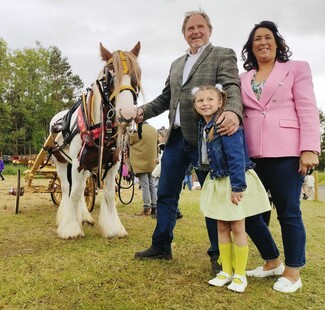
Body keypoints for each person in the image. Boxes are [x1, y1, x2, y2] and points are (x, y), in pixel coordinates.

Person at [134, 9, 243, 273]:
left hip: (208, 139)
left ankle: (219, 256)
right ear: (184, 33)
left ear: (209, 29)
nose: (195, 32)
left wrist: (234, 112)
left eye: (200, 26)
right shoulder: (176, 64)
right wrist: (141, 112)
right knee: (166, 194)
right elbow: (165, 99)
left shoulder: (222, 54)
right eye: (190, 28)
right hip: (174, 140)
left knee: (213, 198)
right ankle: (161, 246)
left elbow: (231, 87)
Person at [240, 21, 320, 293]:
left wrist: (309, 147)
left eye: (268, 37)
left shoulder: (297, 69)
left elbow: (308, 108)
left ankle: (293, 271)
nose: (263, 42)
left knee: (289, 212)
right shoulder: (243, 77)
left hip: (287, 150)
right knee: (250, 213)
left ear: (277, 42)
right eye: (257, 39)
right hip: (251, 153)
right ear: (251, 47)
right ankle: (272, 260)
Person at [193, 85, 271, 293]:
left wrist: (238, 186)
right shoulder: (204, 126)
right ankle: (226, 270)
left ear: (221, 103)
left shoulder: (226, 125)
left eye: (210, 99)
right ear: (195, 106)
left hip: (233, 181)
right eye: (200, 100)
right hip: (218, 180)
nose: (205, 103)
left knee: (238, 227)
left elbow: (237, 157)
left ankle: (240, 274)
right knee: (221, 227)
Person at [129, 122, 158, 216]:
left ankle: (146, 208)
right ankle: (154, 207)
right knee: (152, 185)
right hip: (151, 162)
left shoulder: (136, 130)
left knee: (145, 186)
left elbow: (129, 141)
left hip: (140, 161)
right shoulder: (153, 129)